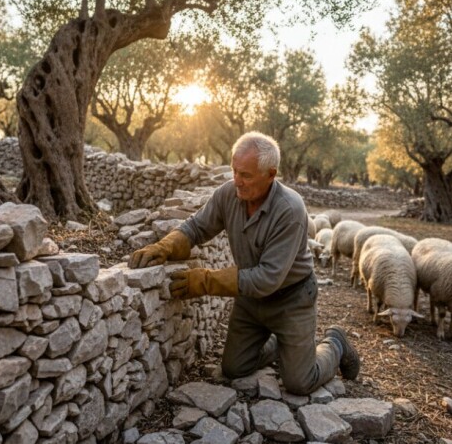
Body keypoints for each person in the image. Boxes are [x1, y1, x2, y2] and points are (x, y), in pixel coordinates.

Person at [128, 131, 360, 395]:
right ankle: (282, 344)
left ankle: (335, 343)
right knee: (234, 368)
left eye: (246, 175)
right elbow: (196, 227)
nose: (237, 181)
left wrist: (202, 281)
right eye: (234, 171)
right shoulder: (228, 194)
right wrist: (165, 246)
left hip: (291, 299)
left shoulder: (290, 210)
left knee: (300, 382)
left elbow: (267, 279)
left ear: (271, 174)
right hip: (251, 301)